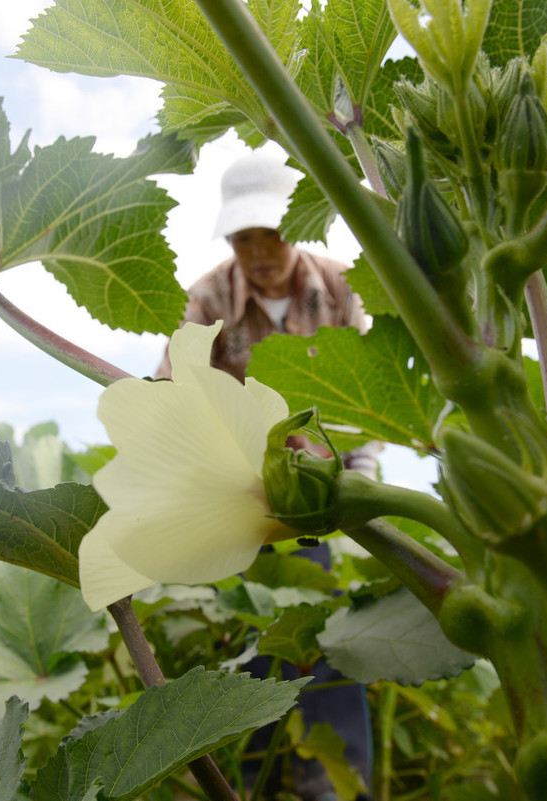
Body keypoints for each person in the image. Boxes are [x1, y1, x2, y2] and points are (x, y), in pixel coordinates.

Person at [157, 150, 375, 801]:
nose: (258, 251)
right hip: (244, 498)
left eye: (270, 232)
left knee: (330, 638)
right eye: (243, 236)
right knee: (258, 641)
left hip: (325, 496)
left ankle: (337, 785)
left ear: (297, 227)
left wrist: (360, 484)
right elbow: (174, 390)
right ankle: (253, 780)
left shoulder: (341, 287)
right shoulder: (208, 297)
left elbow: (372, 391)